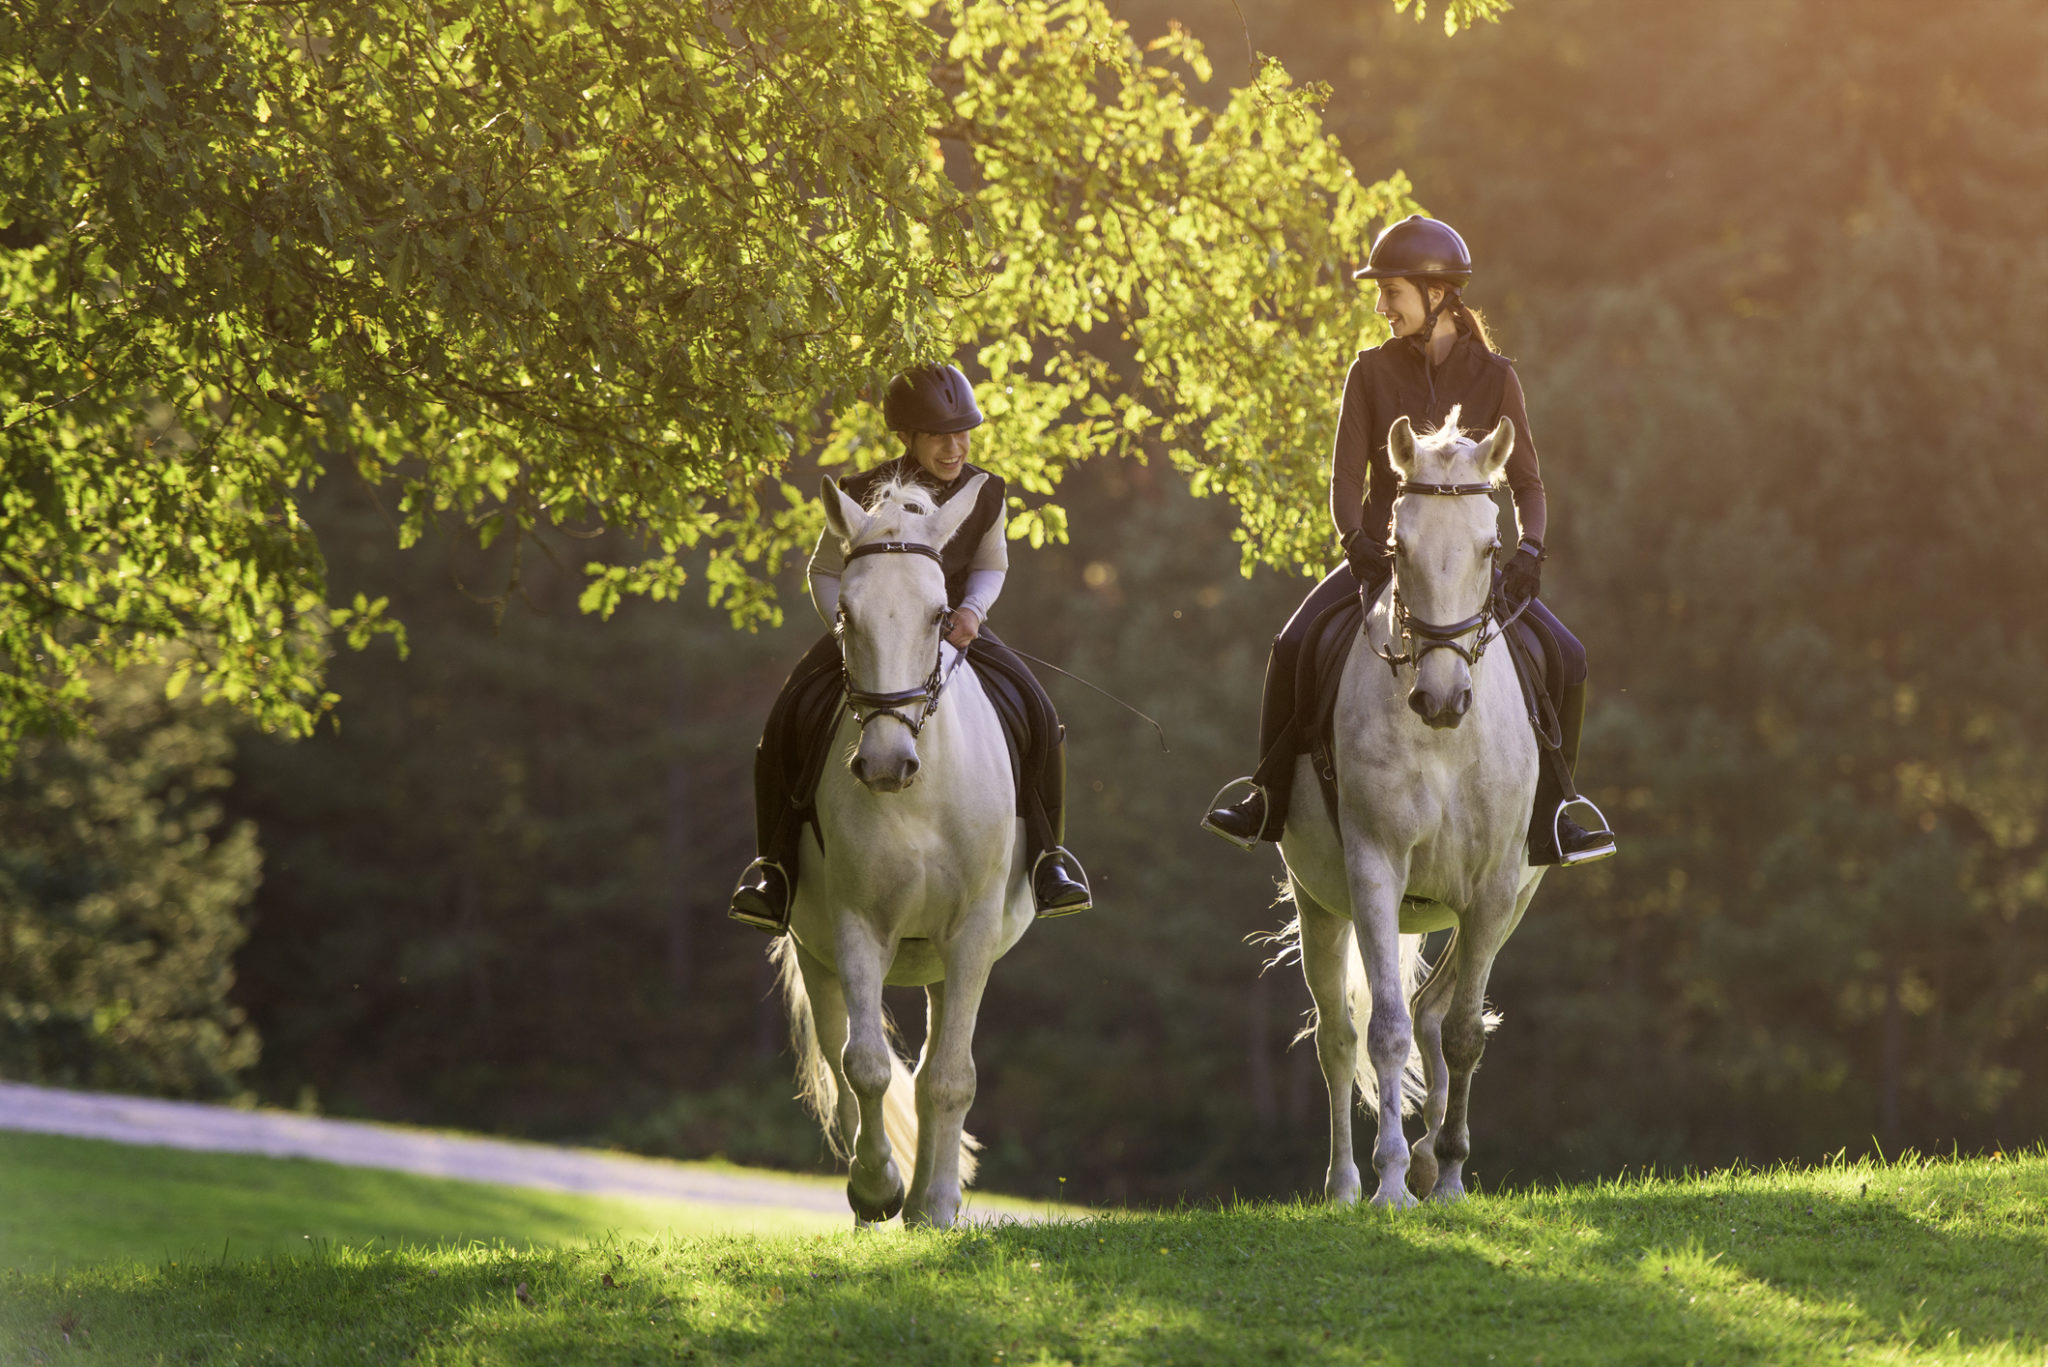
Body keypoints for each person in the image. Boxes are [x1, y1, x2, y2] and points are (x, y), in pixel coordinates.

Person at [1201, 215, 1618, 866]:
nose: (1379, 306)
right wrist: (1355, 543)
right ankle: (1268, 795)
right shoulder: (1368, 372)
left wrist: (1530, 552)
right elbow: (1344, 478)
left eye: (1389, 292)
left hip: (1474, 570)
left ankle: (1556, 811)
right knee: (1292, 644)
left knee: (1567, 656)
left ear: (1437, 294)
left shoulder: (1498, 378)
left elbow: (1530, 485)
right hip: (1383, 562)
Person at [729, 363, 1093, 934]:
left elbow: (993, 564)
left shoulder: (987, 491)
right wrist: (849, 629)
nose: (954, 446)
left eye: (962, 432)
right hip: (873, 634)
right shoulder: (858, 494)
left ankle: (1048, 858)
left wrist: (972, 612)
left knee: (1040, 714)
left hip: (954, 628)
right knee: (784, 719)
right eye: (938, 434)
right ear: (907, 437)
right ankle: (774, 868)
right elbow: (823, 570)